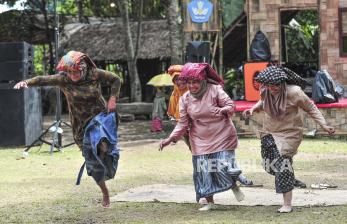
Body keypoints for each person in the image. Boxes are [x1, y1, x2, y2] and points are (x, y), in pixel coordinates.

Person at [14, 51, 122, 208]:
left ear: (83, 69)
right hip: (80, 124)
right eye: (70, 72)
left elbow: (116, 79)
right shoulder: (63, 79)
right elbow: (42, 80)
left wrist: (113, 98)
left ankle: (104, 148)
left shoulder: (94, 74)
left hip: (100, 119)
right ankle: (104, 191)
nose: (73, 75)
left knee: (102, 147)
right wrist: (27, 82)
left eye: (76, 71)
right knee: (91, 160)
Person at [242, 66, 335, 213]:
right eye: (270, 85)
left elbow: (311, 108)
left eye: (277, 85)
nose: (273, 88)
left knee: (283, 164)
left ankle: (287, 204)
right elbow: (263, 101)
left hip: (290, 133)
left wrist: (324, 125)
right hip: (270, 131)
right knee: (268, 165)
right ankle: (289, 179)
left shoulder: (295, 92)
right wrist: (253, 109)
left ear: (283, 82)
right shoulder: (265, 90)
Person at [159, 63, 245, 211]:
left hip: (222, 134)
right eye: (189, 82)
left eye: (195, 82)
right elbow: (182, 123)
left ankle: (233, 184)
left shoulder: (215, 90)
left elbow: (231, 105)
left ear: (203, 81)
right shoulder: (185, 99)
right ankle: (210, 202)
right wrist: (170, 139)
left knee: (221, 166)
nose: (192, 86)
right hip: (199, 138)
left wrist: (223, 110)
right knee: (203, 170)